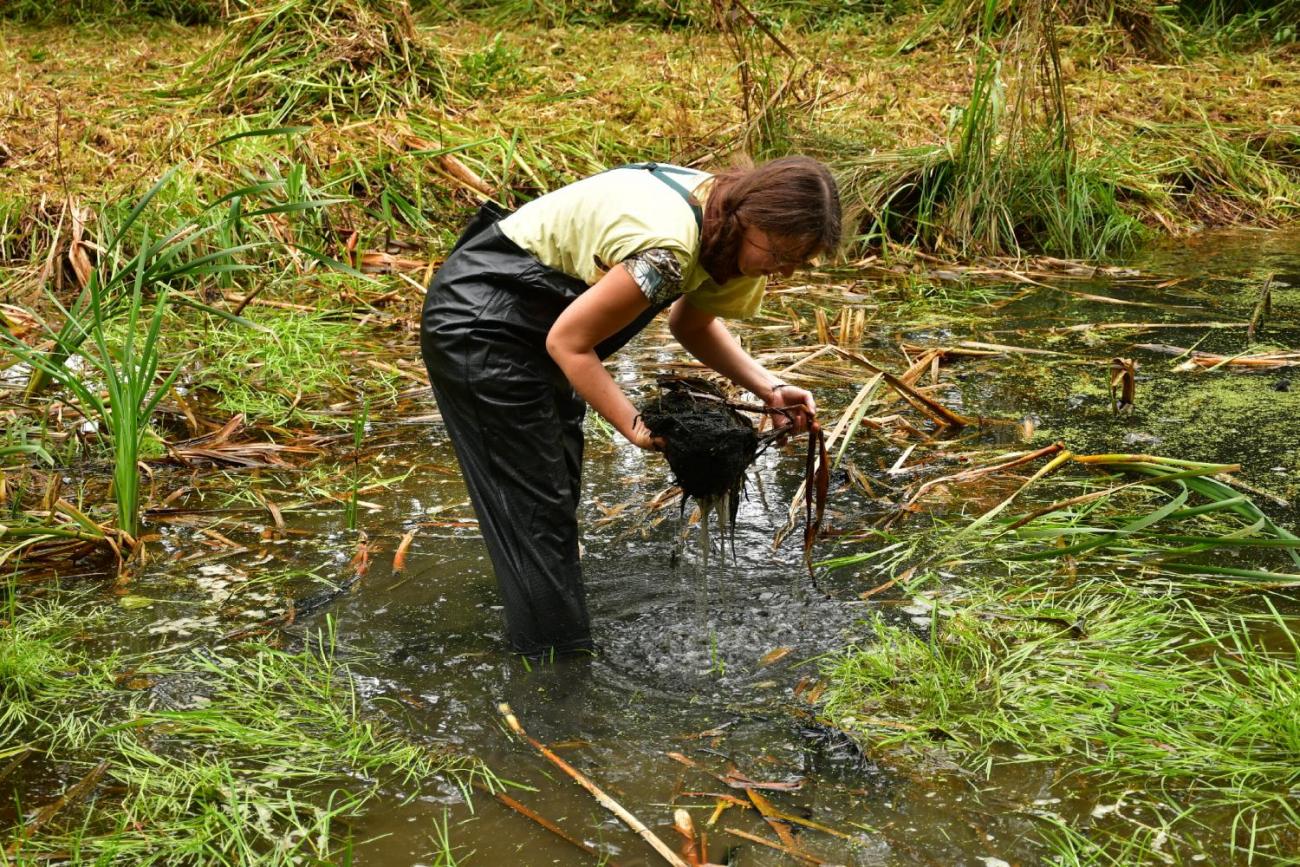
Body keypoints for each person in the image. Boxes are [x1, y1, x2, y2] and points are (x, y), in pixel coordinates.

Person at [420, 157, 841, 657]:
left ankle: (533, 620)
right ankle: (558, 678)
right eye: (782, 253)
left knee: (553, 490)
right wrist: (636, 427)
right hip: (483, 322)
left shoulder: (733, 236)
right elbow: (571, 344)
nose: (786, 270)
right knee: (537, 510)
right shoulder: (668, 247)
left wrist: (769, 388)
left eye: (801, 261)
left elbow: (693, 325)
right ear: (752, 216)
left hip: (543, 326)